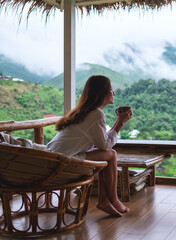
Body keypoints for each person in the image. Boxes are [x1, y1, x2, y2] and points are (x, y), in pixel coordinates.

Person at [46, 75, 132, 217]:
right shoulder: (96, 113)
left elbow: (102, 143)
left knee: (107, 154)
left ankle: (105, 200)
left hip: (55, 158)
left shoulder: (85, 110)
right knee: (111, 154)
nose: (113, 93)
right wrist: (120, 122)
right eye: (111, 89)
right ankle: (113, 200)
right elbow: (105, 145)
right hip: (62, 163)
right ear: (102, 92)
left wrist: (118, 122)